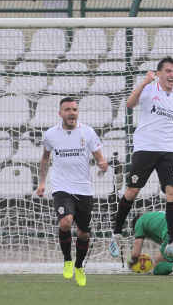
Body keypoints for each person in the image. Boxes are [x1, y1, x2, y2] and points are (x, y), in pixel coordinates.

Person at [109, 56, 173, 260]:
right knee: (131, 192)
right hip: (146, 149)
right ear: (159, 73)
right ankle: (116, 235)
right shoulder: (149, 90)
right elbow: (130, 104)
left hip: (168, 152)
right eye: (168, 71)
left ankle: (172, 242)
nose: (172, 75)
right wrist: (143, 82)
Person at [36, 97, 108, 287]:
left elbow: (99, 157)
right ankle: (67, 260)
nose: (71, 113)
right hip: (61, 187)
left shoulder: (88, 132)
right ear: (60, 113)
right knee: (66, 222)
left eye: (74, 109)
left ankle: (79, 265)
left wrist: (102, 164)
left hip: (83, 189)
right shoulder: (51, 134)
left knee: (84, 234)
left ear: (78, 112)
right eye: (67, 109)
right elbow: (45, 158)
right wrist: (42, 182)